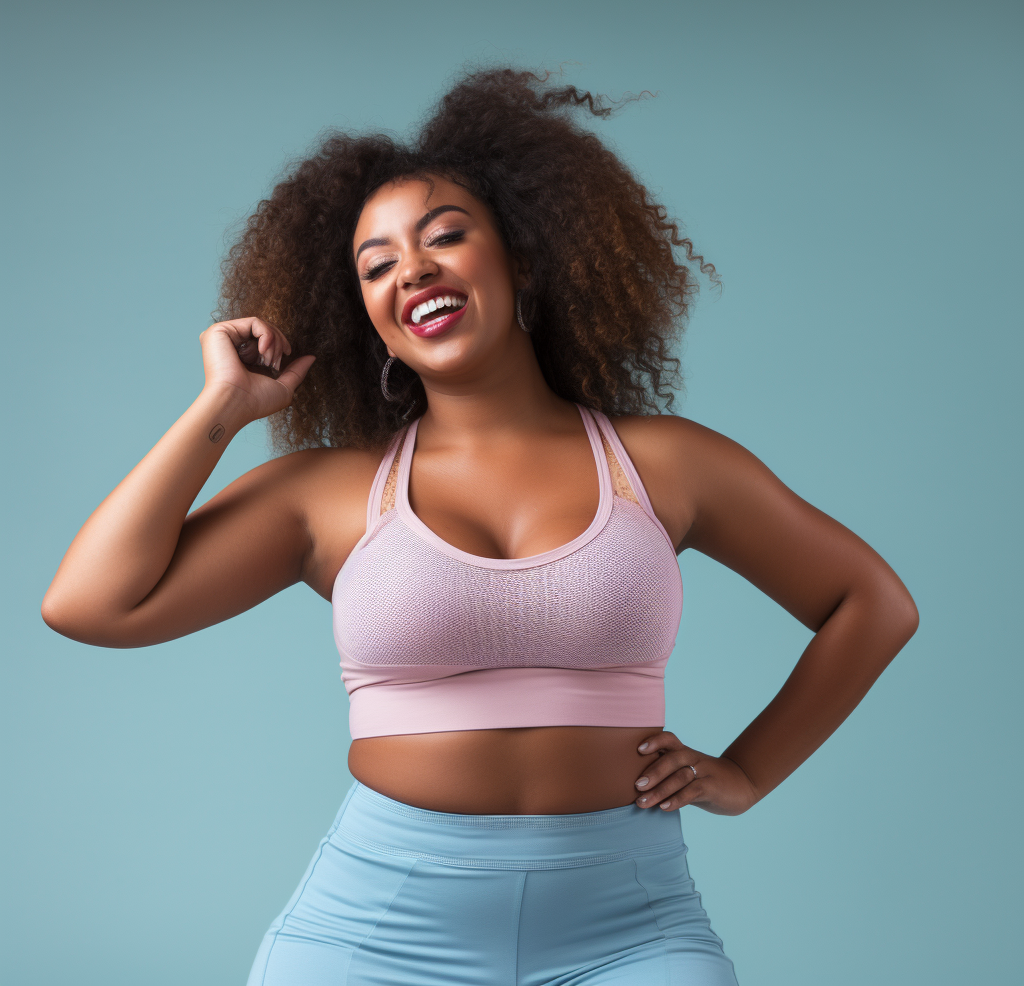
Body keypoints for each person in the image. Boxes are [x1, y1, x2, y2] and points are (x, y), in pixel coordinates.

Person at [41, 68, 919, 984]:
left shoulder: (665, 464)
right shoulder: (330, 494)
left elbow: (873, 603)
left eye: (444, 237)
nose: (410, 269)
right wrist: (221, 408)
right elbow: (88, 604)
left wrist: (743, 774)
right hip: (374, 931)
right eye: (376, 266)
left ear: (526, 260)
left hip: (631, 926)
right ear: (372, 323)